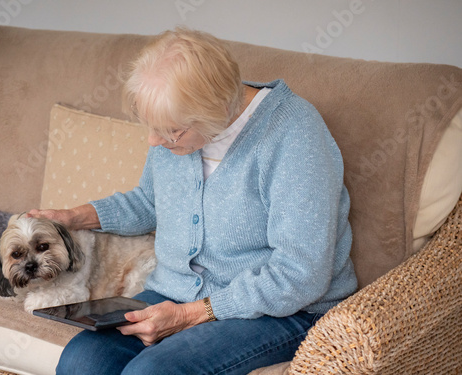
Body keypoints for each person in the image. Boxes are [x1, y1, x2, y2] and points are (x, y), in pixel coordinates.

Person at [29, 27, 357, 375]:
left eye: (171, 131)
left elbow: (301, 273)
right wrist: (71, 217)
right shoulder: (176, 129)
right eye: (151, 127)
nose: (155, 141)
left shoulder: (294, 133)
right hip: (176, 295)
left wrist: (190, 314)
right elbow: (151, 203)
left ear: (217, 111)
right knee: (82, 362)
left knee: (151, 373)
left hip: (285, 310)